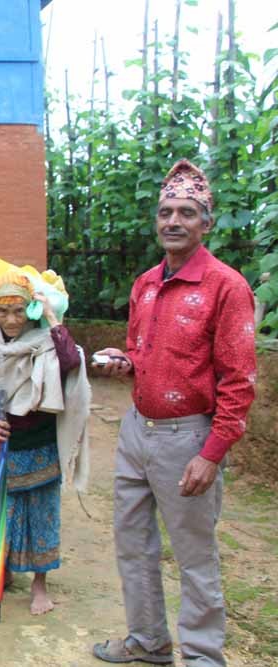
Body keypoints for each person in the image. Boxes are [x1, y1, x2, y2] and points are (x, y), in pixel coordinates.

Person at [92, 160, 256, 667]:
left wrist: (211, 454)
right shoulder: (145, 284)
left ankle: (204, 656)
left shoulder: (226, 286)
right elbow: (144, 354)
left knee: (194, 554)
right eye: (166, 211)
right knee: (133, 543)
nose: (173, 221)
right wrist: (127, 363)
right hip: (135, 432)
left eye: (187, 212)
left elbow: (239, 380)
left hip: (188, 438)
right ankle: (148, 642)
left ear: (207, 222)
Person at [0, 270, 90, 616]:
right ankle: (2, 572)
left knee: (40, 511)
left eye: (19, 310)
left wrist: (52, 318)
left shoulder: (46, 339)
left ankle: (40, 585)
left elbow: (71, 364)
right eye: (2, 311)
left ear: (32, 310)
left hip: (38, 439)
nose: (11, 319)